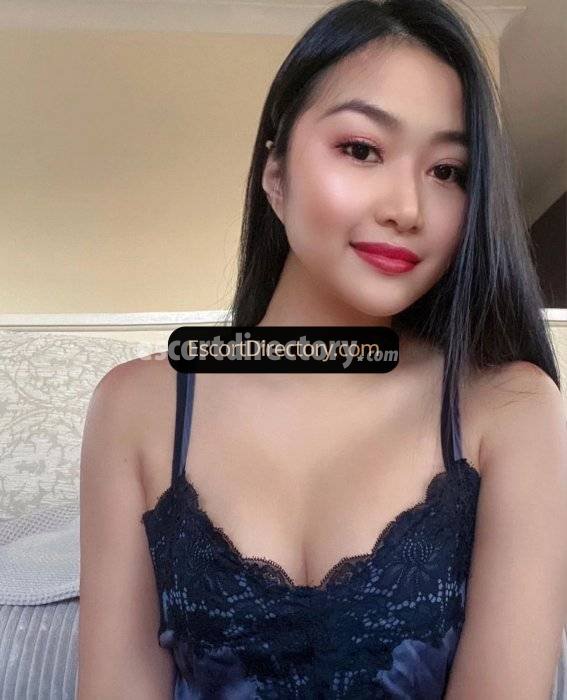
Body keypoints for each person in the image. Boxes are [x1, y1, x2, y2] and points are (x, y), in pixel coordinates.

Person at [77, 0, 567, 697]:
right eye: (361, 150)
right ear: (274, 173)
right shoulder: (139, 406)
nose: (407, 208)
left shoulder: (510, 407)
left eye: (448, 171)